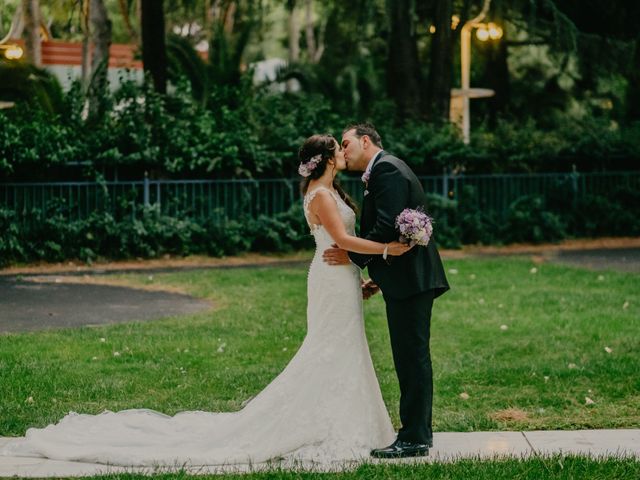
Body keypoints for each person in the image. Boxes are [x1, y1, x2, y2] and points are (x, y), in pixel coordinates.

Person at [0, 134, 412, 467]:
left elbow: (342, 247)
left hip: (341, 279)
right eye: (336, 149)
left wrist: (360, 278)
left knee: (342, 351)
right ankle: (322, 423)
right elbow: (339, 241)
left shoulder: (331, 192)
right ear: (322, 160)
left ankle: (342, 419)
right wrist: (389, 250)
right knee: (326, 351)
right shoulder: (320, 197)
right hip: (329, 278)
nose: (343, 152)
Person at [323, 123, 450, 459]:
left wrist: (350, 255)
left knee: (411, 358)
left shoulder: (387, 170)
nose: (343, 151)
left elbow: (383, 229)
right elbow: (394, 231)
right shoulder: (386, 168)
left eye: (347, 143)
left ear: (366, 141)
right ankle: (419, 432)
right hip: (406, 279)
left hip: (412, 282)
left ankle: (414, 438)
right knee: (411, 357)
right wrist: (379, 276)